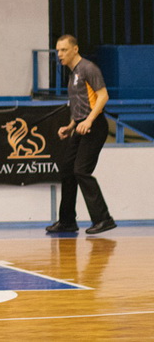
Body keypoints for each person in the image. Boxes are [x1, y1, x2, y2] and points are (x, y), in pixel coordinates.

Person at [45, 35, 116, 235]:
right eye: (58, 50)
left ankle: (104, 219)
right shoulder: (73, 74)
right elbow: (80, 107)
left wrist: (89, 121)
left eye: (64, 50)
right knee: (67, 170)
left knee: (81, 171)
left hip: (94, 126)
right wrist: (70, 126)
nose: (59, 54)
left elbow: (103, 96)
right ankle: (67, 221)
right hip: (80, 126)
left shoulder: (88, 69)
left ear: (75, 49)